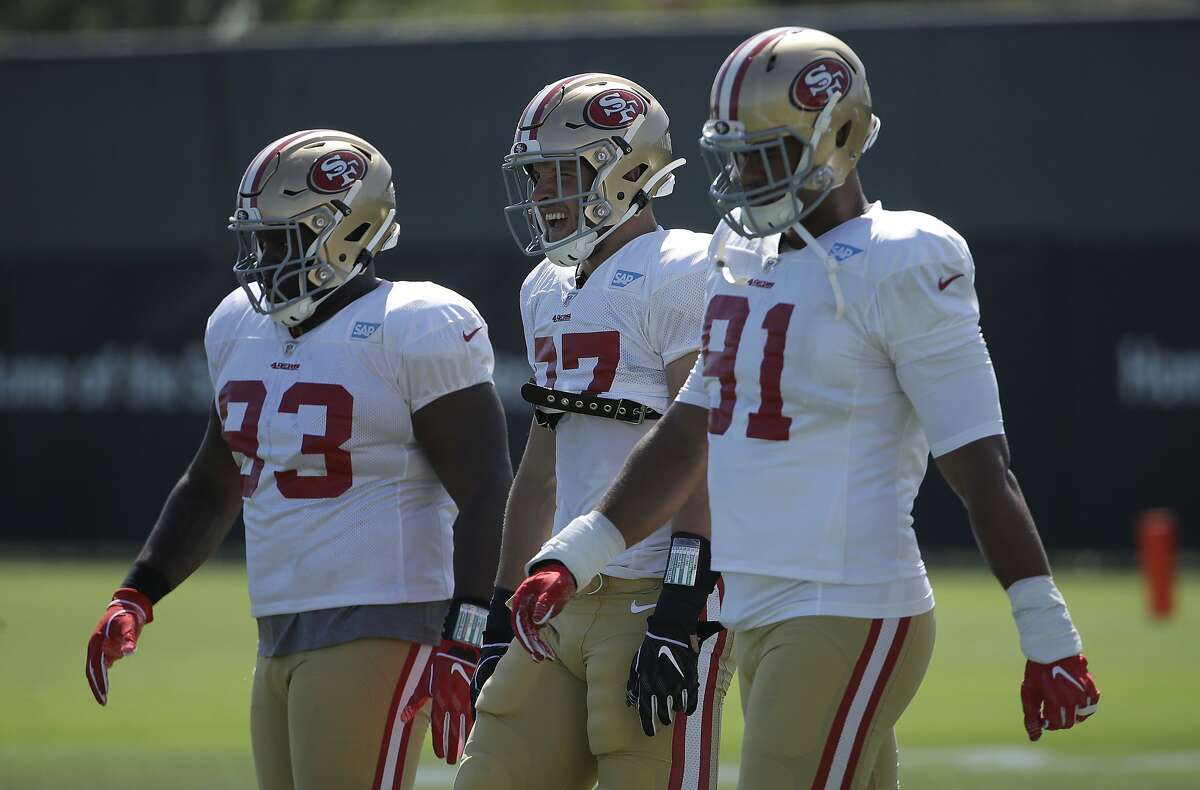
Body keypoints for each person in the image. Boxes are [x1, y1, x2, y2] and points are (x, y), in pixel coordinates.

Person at [509, 28, 1101, 790]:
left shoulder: (904, 257)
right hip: (758, 606)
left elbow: (983, 470)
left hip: (850, 602)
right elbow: (689, 429)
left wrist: (1047, 632)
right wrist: (576, 555)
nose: (746, 171)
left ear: (841, 137)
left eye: (769, 149)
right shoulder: (736, 255)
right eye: (735, 150)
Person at [85, 129, 513, 790]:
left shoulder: (417, 323)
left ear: (347, 231)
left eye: (283, 237)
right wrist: (139, 591)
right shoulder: (237, 325)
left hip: (385, 616)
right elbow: (213, 479)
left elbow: (487, 490)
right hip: (280, 626)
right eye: (258, 237)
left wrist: (464, 638)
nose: (263, 257)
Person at [455, 74, 733, 790]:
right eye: (535, 177)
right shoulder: (545, 284)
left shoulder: (685, 266)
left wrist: (682, 607)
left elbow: (701, 455)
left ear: (629, 169)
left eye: (557, 175)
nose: (542, 195)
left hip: (651, 594)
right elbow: (541, 472)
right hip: (557, 593)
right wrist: (495, 618)